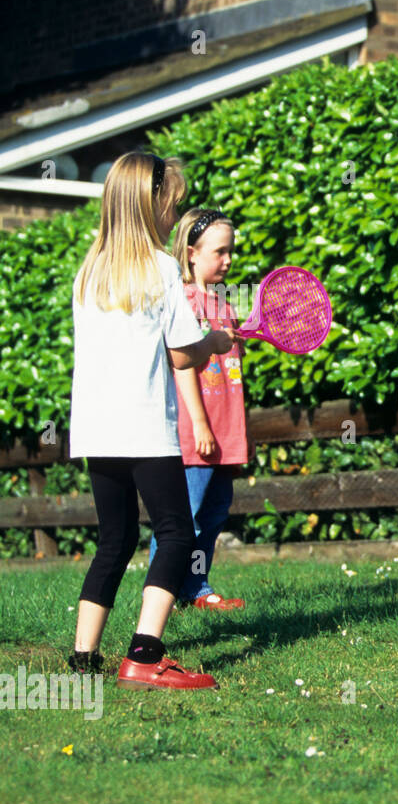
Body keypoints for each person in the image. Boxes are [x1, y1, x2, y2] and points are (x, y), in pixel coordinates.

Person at [67, 151, 234, 689]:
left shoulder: (89, 270)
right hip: (144, 427)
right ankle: (145, 654)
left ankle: (84, 658)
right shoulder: (161, 267)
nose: (173, 214)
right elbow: (184, 354)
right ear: (150, 203)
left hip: (96, 428)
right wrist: (215, 340)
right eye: (171, 204)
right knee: (178, 531)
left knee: (113, 540)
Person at [145, 207, 248, 610]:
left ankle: (195, 587)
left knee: (214, 514)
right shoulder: (182, 300)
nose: (228, 260)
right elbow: (180, 365)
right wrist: (202, 426)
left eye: (231, 252)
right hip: (195, 432)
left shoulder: (225, 304)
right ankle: (161, 597)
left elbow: (231, 377)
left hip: (226, 432)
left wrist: (240, 433)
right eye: (219, 252)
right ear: (191, 253)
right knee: (181, 518)